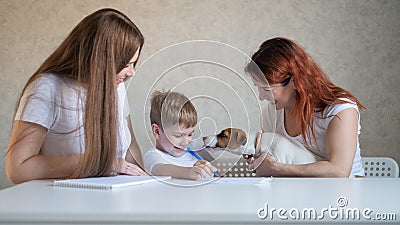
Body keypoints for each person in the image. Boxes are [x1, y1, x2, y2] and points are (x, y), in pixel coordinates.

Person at [6, 8, 147, 184]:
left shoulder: (116, 86)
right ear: (100, 60)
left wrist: (146, 181)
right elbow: (18, 169)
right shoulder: (47, 88)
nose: (132, 73)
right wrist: (97, 164)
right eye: (125, 65)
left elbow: (129, 148)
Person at [244, 37, 365, 177]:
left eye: (266, 89)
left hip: (346, 194)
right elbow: (276, 159)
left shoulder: (340, 110)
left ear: (295, 81)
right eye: (258, 88)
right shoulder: (270, 115)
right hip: (298, 192)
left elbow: (339, 171)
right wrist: (262, 159)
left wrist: (276, 168)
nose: (261, 97)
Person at [143, 90, 217, 180]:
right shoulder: (154, 155)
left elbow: (212, 169)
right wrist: (189, 172)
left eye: (190, 134)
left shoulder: (191, 152)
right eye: (178, 135)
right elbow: (159, 170)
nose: (185, 142)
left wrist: (205, 167)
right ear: (157, 131)